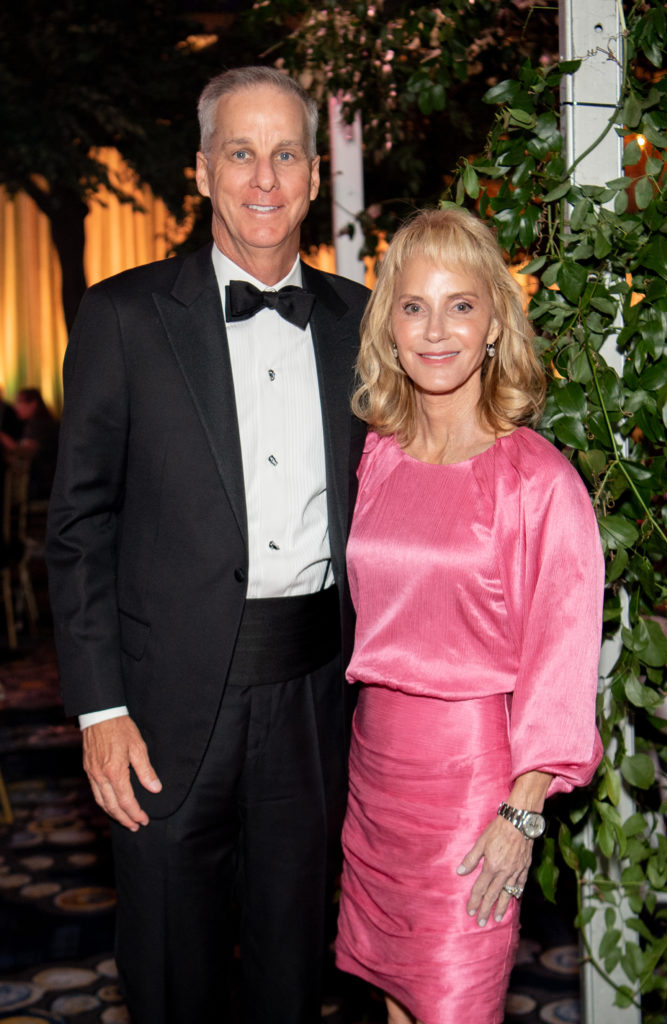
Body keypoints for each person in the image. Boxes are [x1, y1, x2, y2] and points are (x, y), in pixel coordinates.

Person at [46, 66, 368, 1024]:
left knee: (292, 973)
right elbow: (77, 528)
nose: (262, 179)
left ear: (314, 176)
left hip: (317, 702)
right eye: (239, 153)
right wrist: (99, 708)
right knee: (173, 976)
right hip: (162, 707)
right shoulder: (121, 317)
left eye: (282, 156)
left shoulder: (365, 323)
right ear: (199, 170)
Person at [334, 207, 604, 1024]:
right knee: (386, 1000)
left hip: (472, 790)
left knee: (453, 1005)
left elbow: (560, 662)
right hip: (375, 771)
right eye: (413, 306)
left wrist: (521, 813)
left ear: (494, 321)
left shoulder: (537, 481)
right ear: (389, 326)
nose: (435, 330)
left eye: (460, 304)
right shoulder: (378, 455)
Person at [0, 387, 59, 501]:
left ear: (33, 404)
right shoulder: (36, 424)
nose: (16, 407)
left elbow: (26, 452)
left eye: (20, 402)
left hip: (42, 483)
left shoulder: (39, 425)